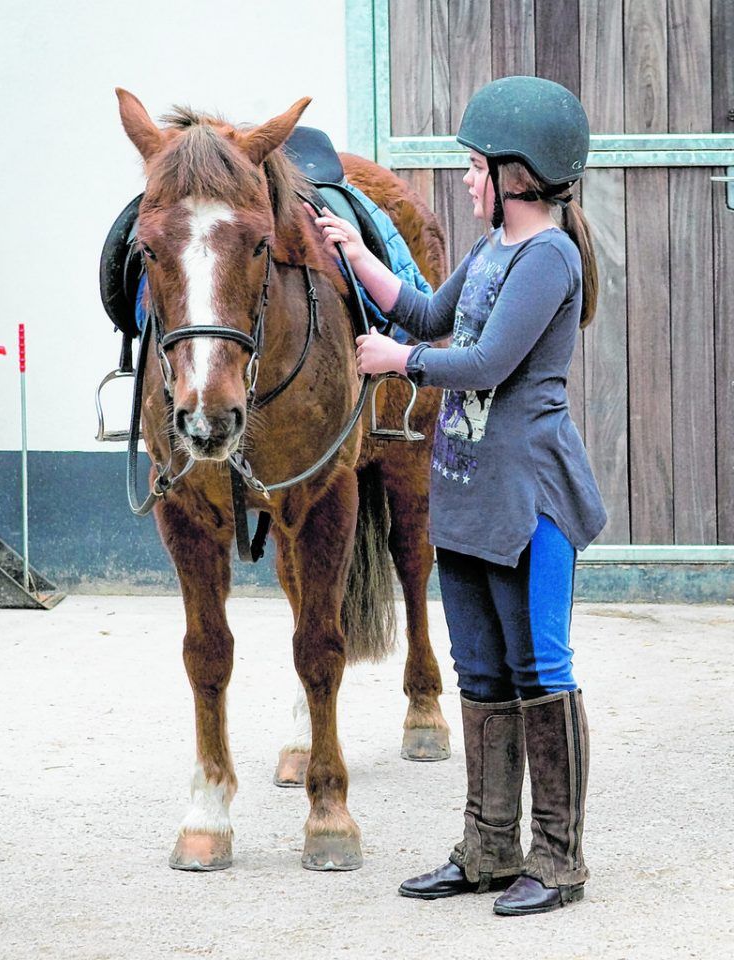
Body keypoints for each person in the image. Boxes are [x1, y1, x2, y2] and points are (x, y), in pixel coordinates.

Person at [308, 75, 607, 916]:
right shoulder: (489, 251)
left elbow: (485, 362)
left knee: (539, 667)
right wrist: (357, 254)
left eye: (477, 167)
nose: (468, 181)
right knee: (478, 669)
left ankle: (558, 859)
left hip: (531, 497)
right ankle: (488, 848)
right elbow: (425, 311)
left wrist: (396, 362)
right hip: (471, 494)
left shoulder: (549, 257)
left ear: (518, 174)